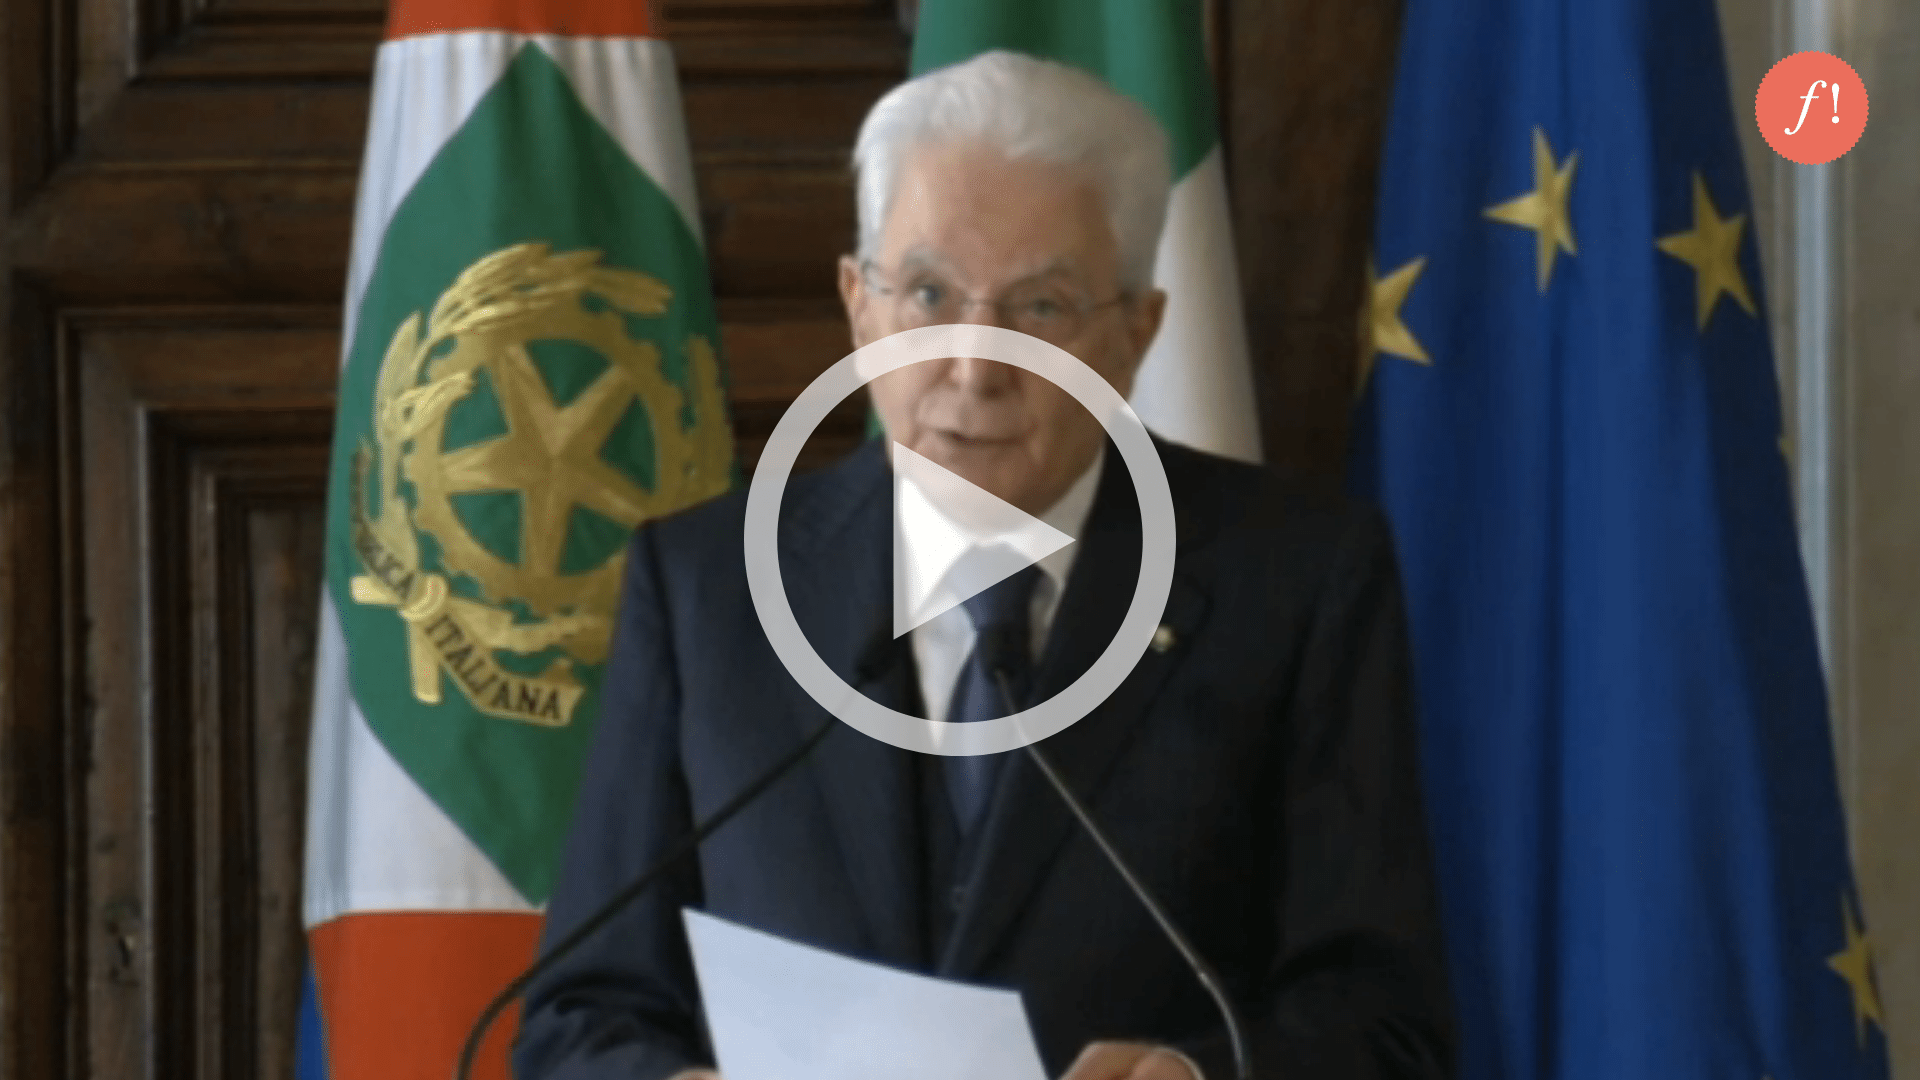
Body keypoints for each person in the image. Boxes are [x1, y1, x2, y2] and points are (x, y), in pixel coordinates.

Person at [515, 50, 1452, 1080]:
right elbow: (579, 1020)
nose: (973, 368)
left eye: (1041, 308)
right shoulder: (708, 586)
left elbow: (1385, 1024)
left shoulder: (1297, 581)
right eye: (927, 293)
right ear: (858, 306)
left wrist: (1196, 1077)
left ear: (1136, 333)